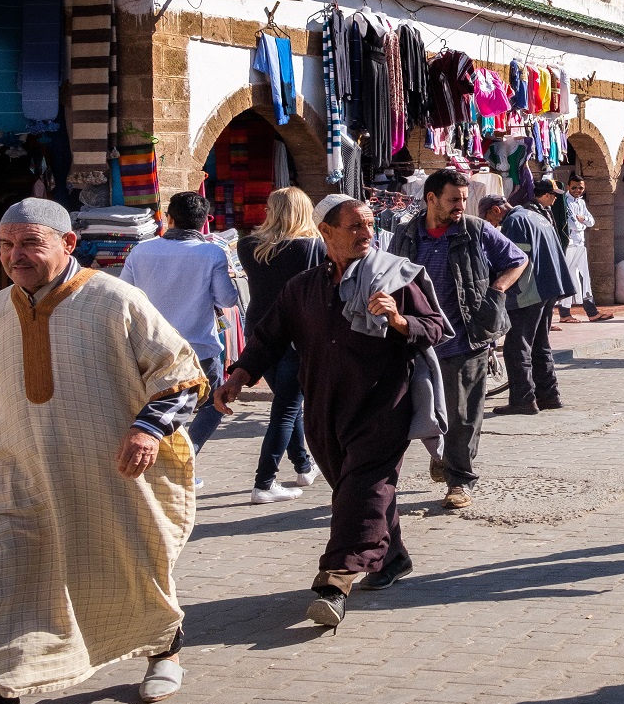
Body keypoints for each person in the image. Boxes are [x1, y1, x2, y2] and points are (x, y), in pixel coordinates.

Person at [0, 200, 210, 704]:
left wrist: (146, 429)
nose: (14, 256)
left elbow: (181, 372)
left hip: (109, 476)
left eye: (29, 243)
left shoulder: (114, 298)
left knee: (130, 568)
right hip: (20, 478)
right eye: (5, 245)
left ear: (68, 244)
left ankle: (164, 649)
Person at [215, 195, 450, 626]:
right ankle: (392, 558)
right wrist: (238, 376)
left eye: (369, 226)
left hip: (384, 404)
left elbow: (434, 325)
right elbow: (268, 339)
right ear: (326, 232)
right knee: (355, 490)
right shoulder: (302, 288)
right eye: (355, 227)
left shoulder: (394, 277)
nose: (366, 234)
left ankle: (335, 580)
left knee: (365, 487)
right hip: (324, 406)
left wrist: (399, 321)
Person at [386, 169, 526, 510]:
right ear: (431, 198)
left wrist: (496, 290)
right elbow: (387, 273)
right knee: (415, 410)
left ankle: (459, 480)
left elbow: (517, 260)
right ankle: (443, 456)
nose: (461, 206)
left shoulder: (475, 230)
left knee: (463, 415)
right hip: (416, 339)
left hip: (466, 338)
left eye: (464, 199)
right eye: (454, 200)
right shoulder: (405, 235)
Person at [120, 191, 241, 457]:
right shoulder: (212, 253)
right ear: (204, 221)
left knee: (155, 407)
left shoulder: (142, 251)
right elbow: (227, 299)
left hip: (150, 348)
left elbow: (124, 296)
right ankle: (189, 455)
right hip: (199, 348)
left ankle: (167, 457)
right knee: (213, 404)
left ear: (169, 218)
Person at [236, 188, 324, 505]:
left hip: (259, 330)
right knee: (287, 407)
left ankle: (303, 466)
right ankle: (264, 482)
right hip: (295, 333)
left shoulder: (248, 246)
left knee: (287, 402)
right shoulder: (313, 246)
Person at [486, 185, 576, 415]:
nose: (493, 227)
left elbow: (515, 260)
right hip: (549, 287)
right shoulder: (534, 215)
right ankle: (549, 395)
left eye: (490, 221)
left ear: (496, 210)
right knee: (540, 344)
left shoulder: (514, 221)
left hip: (531, 290)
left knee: (517, 346)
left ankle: (523, 399)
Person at [556, 175, 614, 323]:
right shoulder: (565, 202)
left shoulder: (581, 202)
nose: (577, 190)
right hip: (569, 245)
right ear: (568, 187)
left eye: (581, 188)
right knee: (570, 278)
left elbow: (591, 221)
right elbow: (574, 224)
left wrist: (582, 220)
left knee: (584, 277)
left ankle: (589, 311)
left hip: (580, 244)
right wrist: (582, 222)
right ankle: (566, 313)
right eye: (574, 187)